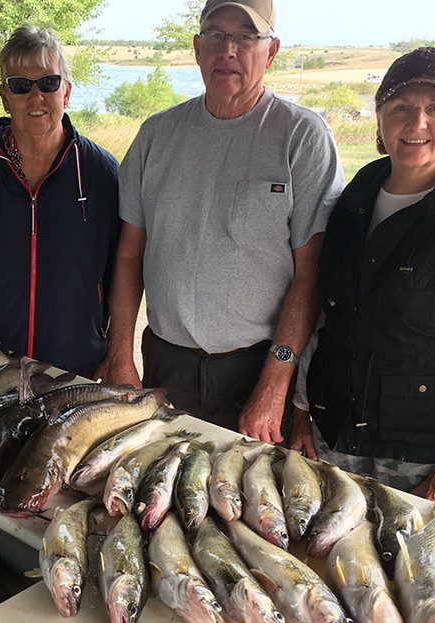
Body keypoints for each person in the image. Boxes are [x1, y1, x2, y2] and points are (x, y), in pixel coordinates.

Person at [96, 0, 343, 438]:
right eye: (215, 34)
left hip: (256, 368)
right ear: (196, 47)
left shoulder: (301, 136)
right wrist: (120, 355)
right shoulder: (156, 134)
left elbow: (312, 273)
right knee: (158, 496)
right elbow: (130, 252)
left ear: (271, 50)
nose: (228, 50)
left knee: (244, 502)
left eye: (246, 36)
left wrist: (274, 384)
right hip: (165, 364)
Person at [290, 47, 435, 506]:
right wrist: (301, 409)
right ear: (379, 119)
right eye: (400, 108)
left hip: (419, 456)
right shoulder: (356, 194)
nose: (417, 124)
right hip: (332, 434)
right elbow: (327, 315)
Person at [0, 26, 121, 377]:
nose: (36, 98)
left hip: (71, 368)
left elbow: (119, 272)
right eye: (20, 85)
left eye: (48, 83)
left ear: (67, 92)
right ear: (4, 97)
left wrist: (117, 354)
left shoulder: (101, 172)